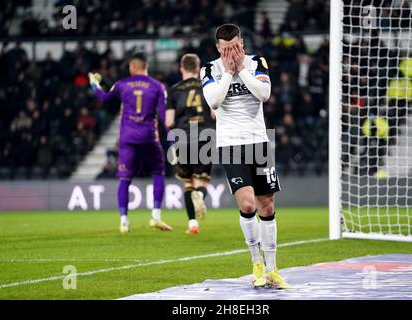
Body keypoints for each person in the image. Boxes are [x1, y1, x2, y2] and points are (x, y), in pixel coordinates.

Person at [200, 24, 291, 289]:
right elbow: (214, 102)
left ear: (242, 43)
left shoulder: (255, 62)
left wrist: (240, 69)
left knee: (268, 205)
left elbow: (264, 94)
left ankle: (273, 269)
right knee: (248, 205)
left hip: (259, 143)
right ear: (218, 48)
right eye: (227, 48)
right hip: (230, 144)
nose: (232, 52)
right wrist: (229, 72)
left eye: (236, 46)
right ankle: (256, 265)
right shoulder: (210, 69)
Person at [88, 52, 173, 234]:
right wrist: (173, 139)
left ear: (133, 67)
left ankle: (124, 222)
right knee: (158, 172)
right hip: (149, 137)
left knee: (125, 179)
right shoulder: (158, 86)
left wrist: (95, 85)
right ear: (145, 66)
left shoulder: (122, 85)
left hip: (127, 139)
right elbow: (165, 117)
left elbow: (103, 98)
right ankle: (156, 216)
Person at [166, 54, 215, 235]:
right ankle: (200, 196)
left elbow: (169, 121)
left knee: (188, 183)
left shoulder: (173, 90)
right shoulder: (207, 86)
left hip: (183, 137)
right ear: (198, 69)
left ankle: (192, 224)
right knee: (201, 182)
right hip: (205, 136)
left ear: (181, 69)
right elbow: (215, 115)